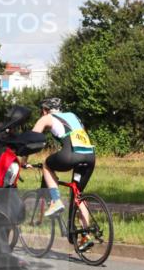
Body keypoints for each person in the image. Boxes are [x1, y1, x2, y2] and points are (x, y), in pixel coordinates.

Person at [30, 98, 96, 239]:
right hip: (90, 157)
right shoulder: (73, 116)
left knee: (47, 165)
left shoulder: (47, 117)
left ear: (44, 110)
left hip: (71, 156)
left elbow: (30, 139)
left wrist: (24, 160)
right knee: (78, 195)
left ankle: (55, 200)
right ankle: (85, 236)